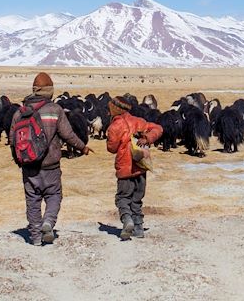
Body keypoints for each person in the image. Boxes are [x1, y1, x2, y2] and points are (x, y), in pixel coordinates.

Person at [13, 72, 93, 246]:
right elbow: (68, 134)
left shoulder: (20, 112)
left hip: (29, 166)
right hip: (51, 166)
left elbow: (13, 141)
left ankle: (35, 237)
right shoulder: (55, 110)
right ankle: (48, 223)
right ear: (49, 91)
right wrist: (82, 147)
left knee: (32, 201)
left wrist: (20, 162)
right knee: (54, 195)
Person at [106, 96, 163, 240]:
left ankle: (127, 220)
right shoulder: (139, 121)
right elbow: (158, 128)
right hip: (141, 166)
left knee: (123, 198)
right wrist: (147, 138)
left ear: (115, 109)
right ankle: (138, 228)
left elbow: (111, 148)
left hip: (125, 168)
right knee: (137, 198)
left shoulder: (114, 126)